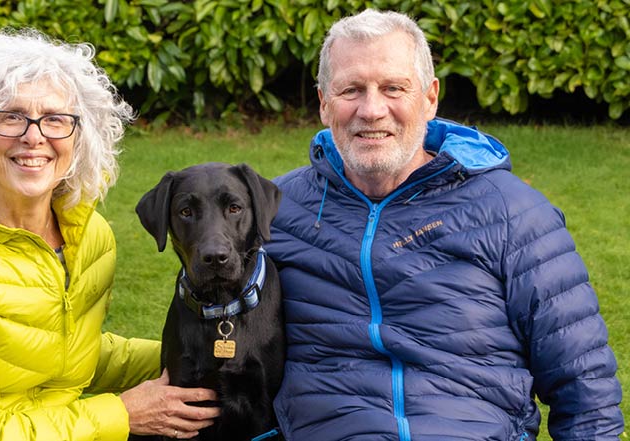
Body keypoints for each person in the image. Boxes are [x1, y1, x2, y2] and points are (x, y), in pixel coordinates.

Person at [265, 9, 624, 440]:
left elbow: (584, 386)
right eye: (351, 89)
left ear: (430, 98)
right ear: (324, 103)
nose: (372, 109)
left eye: (394, 87)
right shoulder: (274, 212)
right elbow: (214, 336)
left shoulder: (513, 213)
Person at [0, 29, 219, 441]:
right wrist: (122, 414)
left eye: (55, 119)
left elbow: (61, 352)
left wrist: (204, 352)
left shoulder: (87, 235)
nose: (34, 136)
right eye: (11, 116)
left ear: (79, 139)